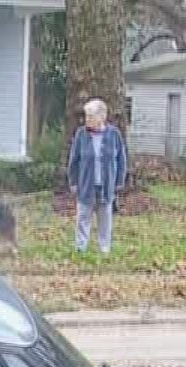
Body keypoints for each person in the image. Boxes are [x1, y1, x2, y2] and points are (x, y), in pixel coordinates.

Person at [67, 98, 128, 254]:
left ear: (102, 117)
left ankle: (104, 249)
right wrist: (73, 181)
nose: (87, 120)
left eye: (90, 116)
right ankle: (81, 248)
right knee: (83, 217)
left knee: (105, 219)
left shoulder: (114, 134)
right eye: (86, 116)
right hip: (86, 184)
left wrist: (120, 180)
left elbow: (121, 158)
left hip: (106, 185)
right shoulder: (81, 134)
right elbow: (74, 160)